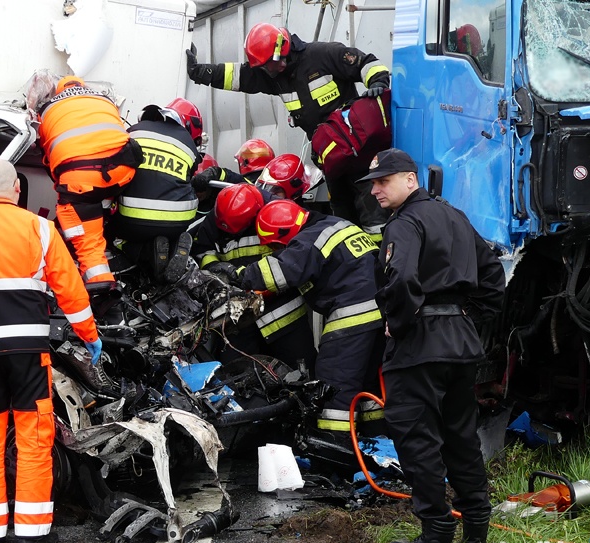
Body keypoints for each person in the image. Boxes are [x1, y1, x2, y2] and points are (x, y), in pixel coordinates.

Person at [0, 159, 102, 543]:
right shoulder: (39, 228)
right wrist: (89, 335)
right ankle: (32, 532)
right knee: (33, 436)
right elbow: (70, 288)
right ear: (15, 189)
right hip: (29, 350)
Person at [362, 148, 505, 543]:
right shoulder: (455, 216)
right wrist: (468, 319)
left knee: (418, 442)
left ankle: (436, 538)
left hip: (419, 346)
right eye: (373, 183)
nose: (375, 190)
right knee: (462, 439)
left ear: (410, 179)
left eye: (383, 181)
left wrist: (399, 324)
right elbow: (493, 276)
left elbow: (402, 278)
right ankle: (477, 535)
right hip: (460, 345)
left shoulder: (404, 223)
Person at [186, 23, 391, 230]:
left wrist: (378, 83)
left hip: (358, 154)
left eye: (270, 64)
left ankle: (380, 258)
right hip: (330, 160)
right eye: (264, 67)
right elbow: (237, 75)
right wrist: (200, 72)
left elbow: (366, 62)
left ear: (282, 48)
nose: (269, 70)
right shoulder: (272, 75)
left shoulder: (322, 55)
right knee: (343, 218)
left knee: (373, 214)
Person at [238, 200, 386, 458]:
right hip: (379, 313)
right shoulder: (337, 224)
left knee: (333, 383)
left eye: (277, 244)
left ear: (285, 232)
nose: (279, 249)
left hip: (352, 315)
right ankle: (378, 443)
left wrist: (237, 273)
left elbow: (281, 272)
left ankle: (335, 451)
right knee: (367, 384)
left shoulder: (310, 239)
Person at [26, 71, 142, 289]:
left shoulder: (47, 110)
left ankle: (102, 291)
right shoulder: (103, 100)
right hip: (124, 169)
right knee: (99, 196)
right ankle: (106, 217)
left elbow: (46, 154)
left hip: (83, 179)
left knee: (88, 243)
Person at [191, 184, 317, 371]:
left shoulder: (280, 213)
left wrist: (247, 276)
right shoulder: (218, 215)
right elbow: (202, 250)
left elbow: (295, 257)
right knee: (235, 376)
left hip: (283, 314)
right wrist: (215, 267)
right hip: (236, 317)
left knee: (300, 373)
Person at [107, 99, 202, 283]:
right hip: (178, 221)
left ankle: (146, 252)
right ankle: (174, 246)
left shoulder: (134, 131)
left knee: (118, 237)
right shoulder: (187, 142)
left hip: (131, 220)